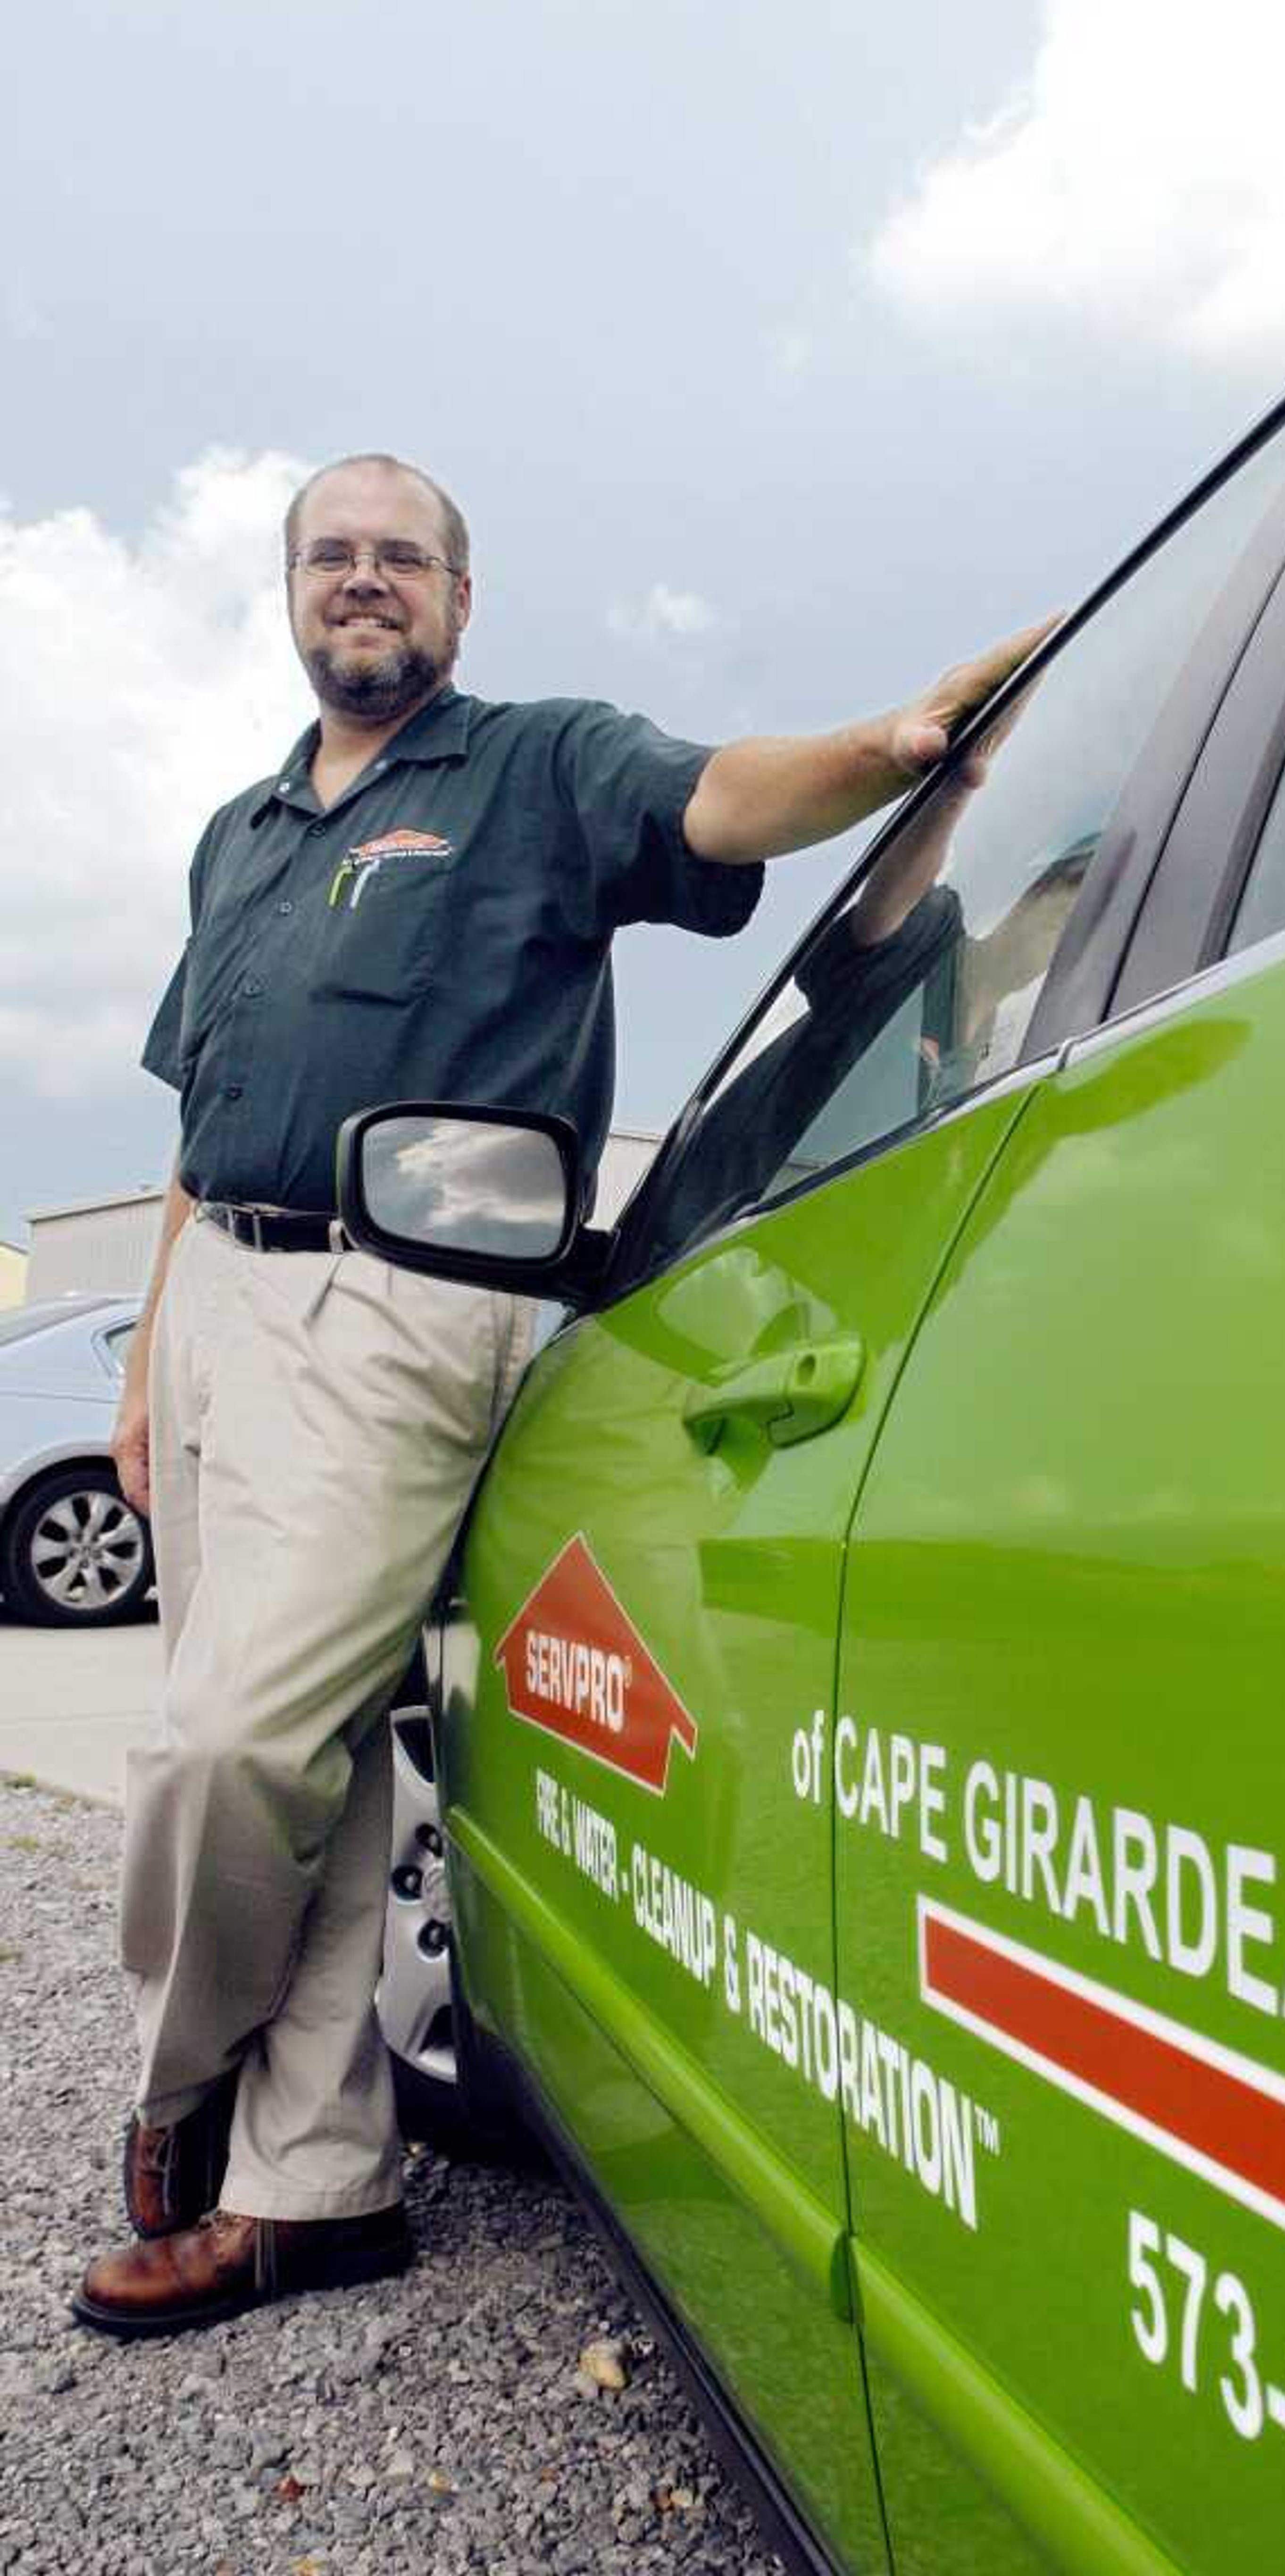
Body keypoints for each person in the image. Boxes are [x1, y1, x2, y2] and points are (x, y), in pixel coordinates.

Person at [75, 450, 1048, 2340]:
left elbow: (720, 802)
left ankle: (170, 2095)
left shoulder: (534, 766)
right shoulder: (241, 833)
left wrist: (889, 739)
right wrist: (147, 1350)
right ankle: (312, 2189)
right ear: (295, 596)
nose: (367, 580)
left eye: (403, 559)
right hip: (213, 1323)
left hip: (394, 1312)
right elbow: (197, 1125)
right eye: (334, 556)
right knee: (318, 1769)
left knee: (233, 1754)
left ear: (457, 600)